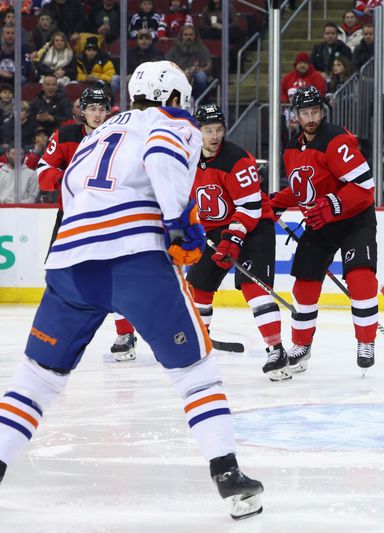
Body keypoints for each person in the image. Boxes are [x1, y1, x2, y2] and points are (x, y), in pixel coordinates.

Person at [0, 61, 263, 520]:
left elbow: (68, 186)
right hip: (134, 258)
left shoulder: (96, 133)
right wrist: (180, 226)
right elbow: (162, 152)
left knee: (36, 378)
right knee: (195, 371)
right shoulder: (172, 121)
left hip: (69, 263)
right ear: (177, 97)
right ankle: (229, 477)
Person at [270, 86, 378, 373]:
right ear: (296, 116)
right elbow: (302, 190)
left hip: (354, 219)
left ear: (323, 111)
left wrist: (331, 206)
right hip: (321, 221)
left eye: (315, 112)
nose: (310, 118)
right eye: (304, 113)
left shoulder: (336, 140)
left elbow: (365, 189)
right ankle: (301, 345)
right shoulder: (293, 149)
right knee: (304, 283)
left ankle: (366, 341)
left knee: (360, 277)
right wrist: (276, 204)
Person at [35, 87, 140, 361]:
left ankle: (125, 333)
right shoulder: (66, 135)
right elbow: (44, 170)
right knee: (60, 274)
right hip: (71, 216)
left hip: (108, 217)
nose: (96, 113)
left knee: (113, 277)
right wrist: (67, 182)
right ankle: (56, 333)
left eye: (101, 109)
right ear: (82, 110)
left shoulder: (123, 138)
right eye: (91, 108)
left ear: (109, 111)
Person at [186, 103, 286, 378]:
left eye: (219, 129)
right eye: (208, 130)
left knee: (252, 286)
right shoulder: (187, 158)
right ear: (197, 131)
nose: (215, 136)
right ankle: (200, 345)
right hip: (215, 230)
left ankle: (276, 349)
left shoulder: (236, 159)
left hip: (254, 227)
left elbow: (251, 207)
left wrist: (234, 238)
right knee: (199, 284)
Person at [166, 25, 212, 99]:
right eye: (185, 35)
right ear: (181, 36)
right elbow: (167, 65)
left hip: (195, 74)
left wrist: (194, 70)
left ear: (195, 36)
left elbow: (207, 66)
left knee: (201, 77)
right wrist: (182, 73)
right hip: (178, 75)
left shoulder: (202, 49)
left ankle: (199, 102)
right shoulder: (174, 50)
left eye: (191, 35)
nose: (188, 37)